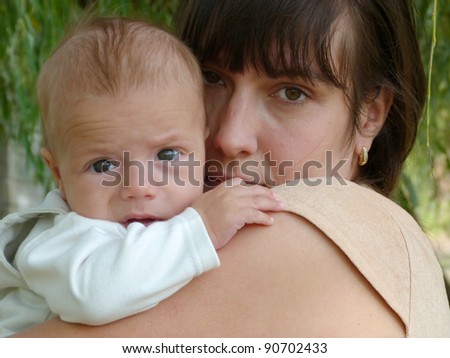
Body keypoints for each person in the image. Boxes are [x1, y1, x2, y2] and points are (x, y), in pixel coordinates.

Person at [13, 0, 450, 338]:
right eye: (211, 76)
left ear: (370, 114)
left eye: (292, 92)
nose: (228, 136)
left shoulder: (298, 234)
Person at [0, 16, 284, 337]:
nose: (138, 187)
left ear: (203, 146)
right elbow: (96, 296)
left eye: (167, 156)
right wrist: (199, 229)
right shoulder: (59, 240)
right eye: (103, 166)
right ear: (58, 175)